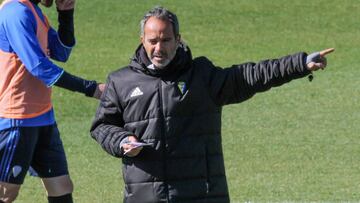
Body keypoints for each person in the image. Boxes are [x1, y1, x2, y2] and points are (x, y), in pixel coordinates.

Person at [90, 6, 334, 203]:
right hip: (144, 196)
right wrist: (122, 141)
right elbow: (102, 126)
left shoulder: (202, 76)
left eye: (166, 40)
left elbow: (251, 76)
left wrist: (300, 64)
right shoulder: (121, 81)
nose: (159, 48)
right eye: (153, 40)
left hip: (201, 194)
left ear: (178, 39)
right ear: (142, 39)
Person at [0, 0, 105, 202]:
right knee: (6, 193)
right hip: (17, 118)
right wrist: (92, 89)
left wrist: (66, 13)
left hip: (43, 117)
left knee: (61, 186)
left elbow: (61, 52)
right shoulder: (15, 12)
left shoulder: (33, 10)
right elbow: (39, 66)